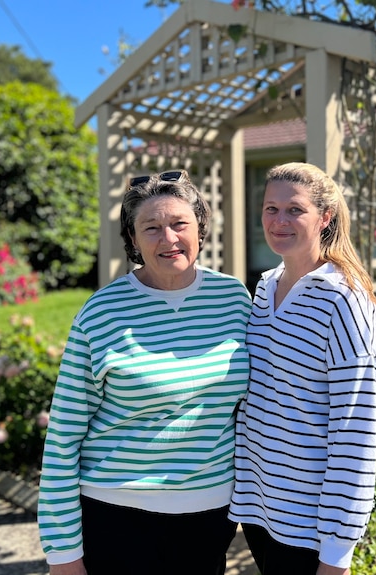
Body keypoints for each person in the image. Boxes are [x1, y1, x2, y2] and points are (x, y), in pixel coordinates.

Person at [37, 169, 252, 575]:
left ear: (200, 229)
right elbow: (63, 437)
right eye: (151, 228)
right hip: (116, 515)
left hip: (210, 515)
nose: (168, 238)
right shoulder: (101, 313)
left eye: (179, 224)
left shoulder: (234, 298)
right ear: (133, 240)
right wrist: (62, 554)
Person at [229, 162, 376, 575]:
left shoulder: (346, 304)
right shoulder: (263, 288)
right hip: (259, 511)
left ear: (325, 217)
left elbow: (357, 433)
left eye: (294, 210)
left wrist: (337, 553)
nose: (279, 221)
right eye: (270, 209)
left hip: (310, 528)